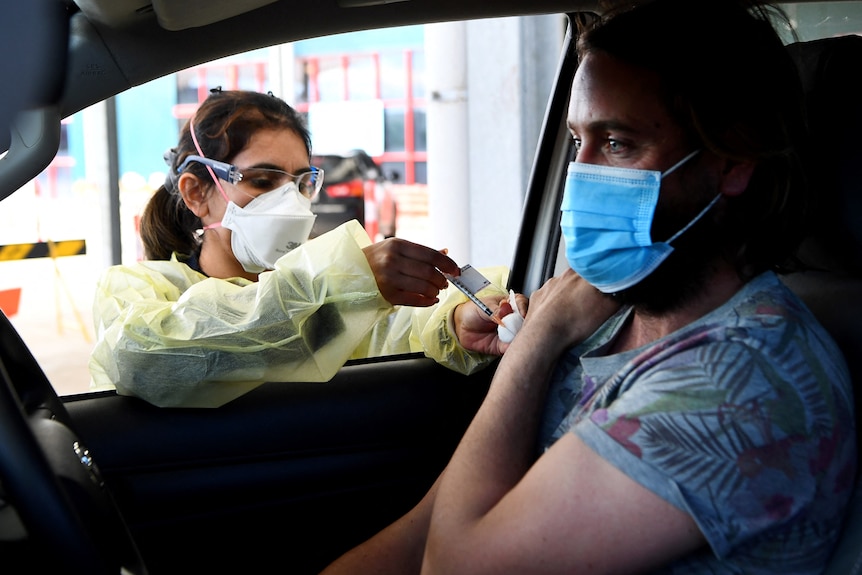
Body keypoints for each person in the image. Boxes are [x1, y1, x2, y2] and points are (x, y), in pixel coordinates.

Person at [320, 0, 856, 573]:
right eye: (579, 143)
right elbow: (427, 526)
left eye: (618, 143)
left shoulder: (742, 385)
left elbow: (452, 564)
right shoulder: (609, 315)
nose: (582, 175)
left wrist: (537, 340)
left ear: (730, 164)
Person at [88, 89, 515, 408]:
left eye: (300, 182)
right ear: (197, 193)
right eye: (262, 180)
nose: (290, 203)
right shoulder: (139, 288)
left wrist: (456, 320)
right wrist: (339, 277)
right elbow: (143, 358)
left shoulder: (326, 294)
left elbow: (390, 332)